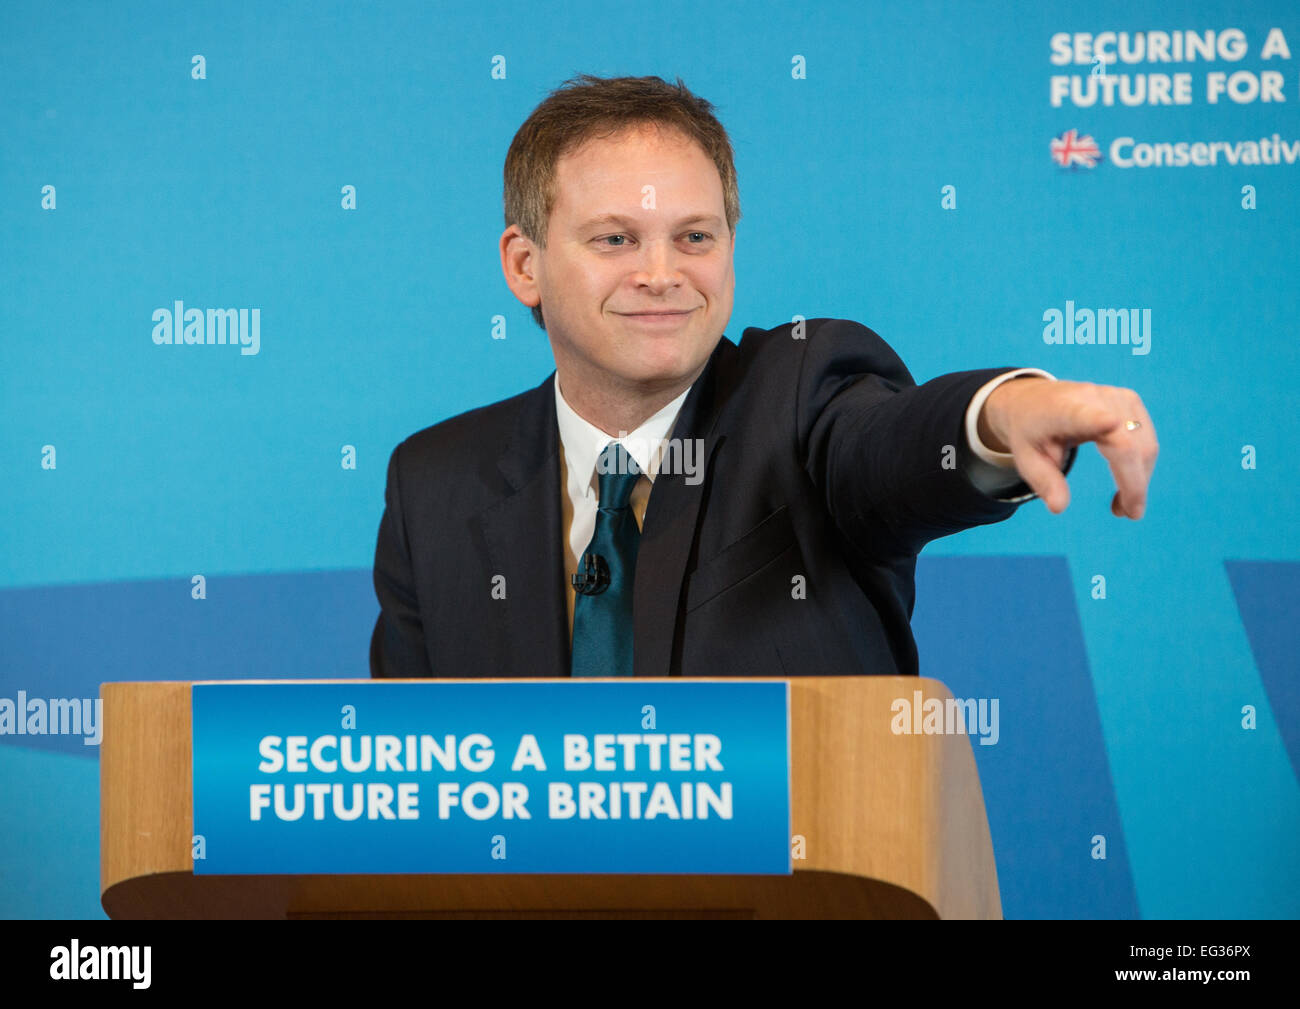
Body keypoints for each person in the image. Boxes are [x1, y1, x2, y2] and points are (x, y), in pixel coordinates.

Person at [369, 74, 1157, 679]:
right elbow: (407, 790)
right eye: (614, 238)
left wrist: (995, 418)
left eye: (695, 236)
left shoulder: (802, 396)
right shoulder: (432, 482)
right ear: (524, 265)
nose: (661, 273)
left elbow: (894, 447)